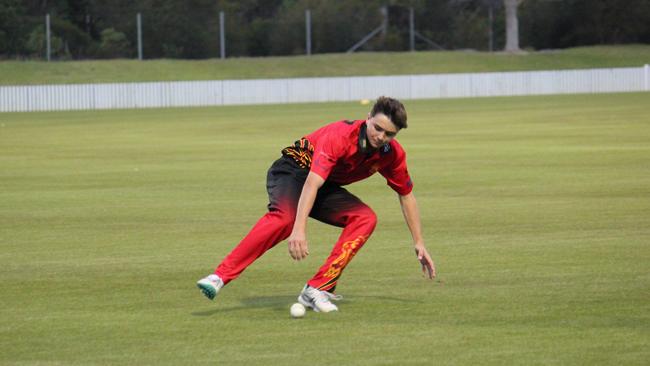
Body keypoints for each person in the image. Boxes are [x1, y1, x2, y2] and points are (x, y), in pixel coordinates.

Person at [197, 96, 436, 313]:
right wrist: (298, 229)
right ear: (368, 119)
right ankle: (219, 277)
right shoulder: (340, 137)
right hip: (293, 171)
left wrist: (419, 242)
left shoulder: (391, 153)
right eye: (378, 128)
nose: (381, 137)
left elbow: (406, 195)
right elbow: (311, 182)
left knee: (365, 218)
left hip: (323, 184)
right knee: (284, 220)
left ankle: (317, 289)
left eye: (389, 134)